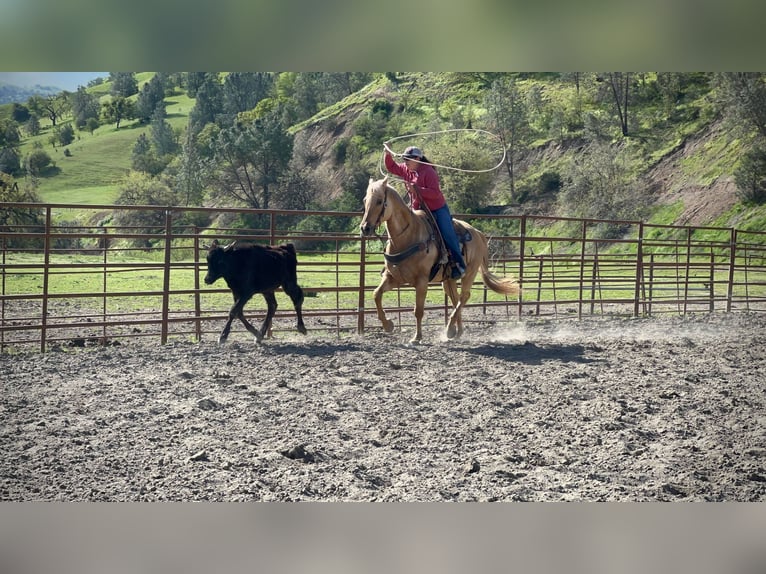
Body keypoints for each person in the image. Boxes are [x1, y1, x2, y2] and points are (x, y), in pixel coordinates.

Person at [384, 145, 467, 279]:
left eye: (408, 159)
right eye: (404, 159)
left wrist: (416, 189)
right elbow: (392, 167)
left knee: (447, 232)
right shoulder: (406, 169)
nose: (405, 162)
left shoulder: (429, 172)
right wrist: (387, 155)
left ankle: (459, 265)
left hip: (437, 208)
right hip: (418, 209)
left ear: (418, 159)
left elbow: (435, 193)